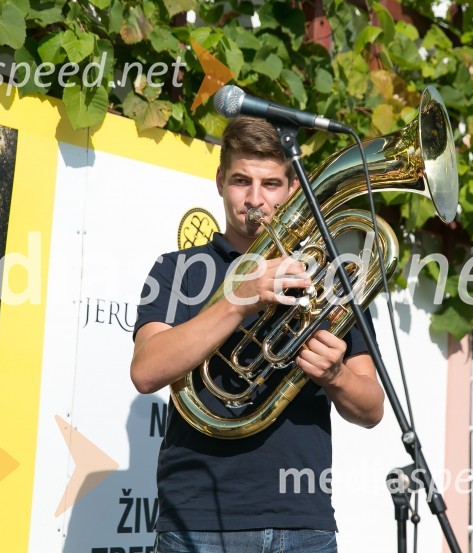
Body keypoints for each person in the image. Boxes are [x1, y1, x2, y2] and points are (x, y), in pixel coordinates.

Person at [131, 116, 385, 552]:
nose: (254, 199)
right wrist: (237, 298)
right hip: (197, 523)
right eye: (240, 181)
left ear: (290, 189)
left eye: (270, 184)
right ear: (219, 182)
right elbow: (146, 371)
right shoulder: (177, 269)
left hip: (304, 525)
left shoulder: (328, 277)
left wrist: (337, 375)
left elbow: (373, 407)